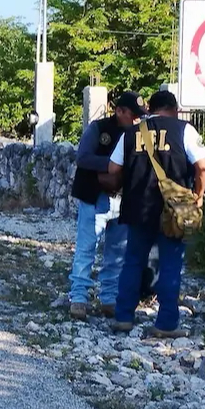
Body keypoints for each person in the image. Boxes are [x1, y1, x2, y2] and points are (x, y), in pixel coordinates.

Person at [108, 90, 205, 337]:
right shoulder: (184, 130)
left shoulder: (131, 133)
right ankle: (165, 323)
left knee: (132, 262)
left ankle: (124, 317)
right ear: (174, 109)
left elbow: (113, 168)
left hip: (137, 207)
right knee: (170, 265)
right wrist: (197, 196)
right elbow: (203, 166)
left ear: (150, 109)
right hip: (172, 211)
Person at [68, 92, 145, 320]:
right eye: (133, 115)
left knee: (116, 252)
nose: (137, 120)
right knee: (86, 248)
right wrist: (112, 165)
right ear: (119, 111)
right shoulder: (99, 129)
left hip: (123, 200)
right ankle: (79, 298)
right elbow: (83, 157)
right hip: (95, 197)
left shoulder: (139, 135)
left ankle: (109, 299)